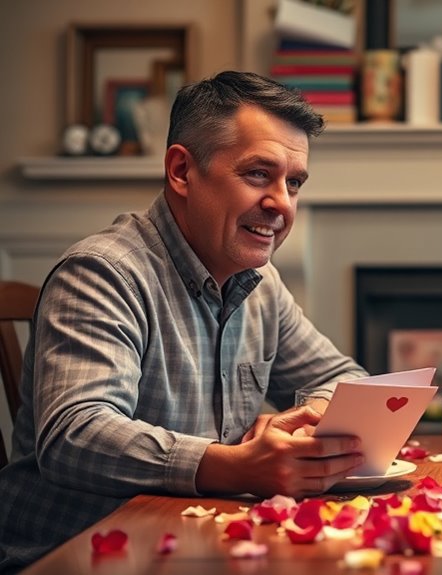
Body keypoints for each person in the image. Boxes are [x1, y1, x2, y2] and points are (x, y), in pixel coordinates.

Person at [0, 71, 369, 571]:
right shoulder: (102, 273)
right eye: (258, 174)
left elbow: (347, 379)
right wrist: (235, 466)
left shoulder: (261, 283)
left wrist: (309, 420)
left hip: (197, 549)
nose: (282, 203)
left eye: (294, 183)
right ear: (181, 171)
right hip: (75, 558)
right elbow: (75, 435)